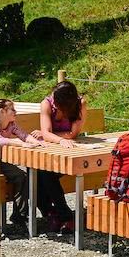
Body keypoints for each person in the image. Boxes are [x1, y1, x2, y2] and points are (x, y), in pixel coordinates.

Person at [0, 98, 43, 229]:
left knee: (22, 176)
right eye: (12, 109)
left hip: (0, 162)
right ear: (2, 112)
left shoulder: (11, 124)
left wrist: (36, 142)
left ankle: (19, 216)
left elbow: (24, 135)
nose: (15, 112)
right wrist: (21, 144)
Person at [36, 80, 86, 232]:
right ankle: (60, 215)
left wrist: (50, 135)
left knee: (44, 173)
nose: (55, 106)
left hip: (71, 154)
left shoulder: (80, 104)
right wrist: (60, 139)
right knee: (36, 171)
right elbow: (47, 133)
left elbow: (73, 133)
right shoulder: (46, 104)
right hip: (52, 152)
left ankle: (58, 215)